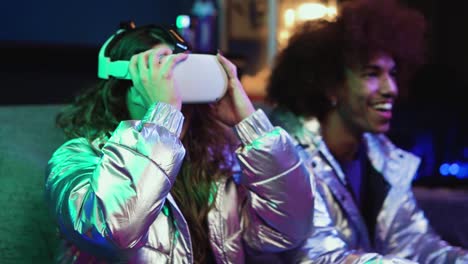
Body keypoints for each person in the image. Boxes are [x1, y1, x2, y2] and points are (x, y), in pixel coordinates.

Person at [45, 23, 314, 263]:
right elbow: (113, 229)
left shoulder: (218, 163)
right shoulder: (75, 159)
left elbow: (289, 231)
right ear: (127, 88)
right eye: (160, 74)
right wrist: (162, 116)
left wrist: (251, 125)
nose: (175, 89)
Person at [266, 0, 468, 263]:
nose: (391, 88)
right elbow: (320, 257)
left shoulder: (383, 158)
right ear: (331, 85)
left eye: (393, 73)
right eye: (372, 74)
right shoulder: (288, 158)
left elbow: (416, 243)